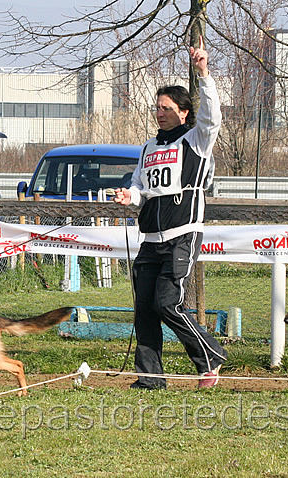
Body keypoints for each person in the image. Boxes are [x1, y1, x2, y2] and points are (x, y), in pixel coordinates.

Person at [114, 36, 227, 390]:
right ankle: (150, 378)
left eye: (166, 108)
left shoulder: (195, 139)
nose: (159, 113)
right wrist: (128, 196)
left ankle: (210, 358)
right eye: (157, 108)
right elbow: (140, 189)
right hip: (149, 239)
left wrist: (203, 73)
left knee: (168, 303)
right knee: (145, 308)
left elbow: (213, 117)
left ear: (183, 112)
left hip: (182, 234)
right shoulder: (148, 147)